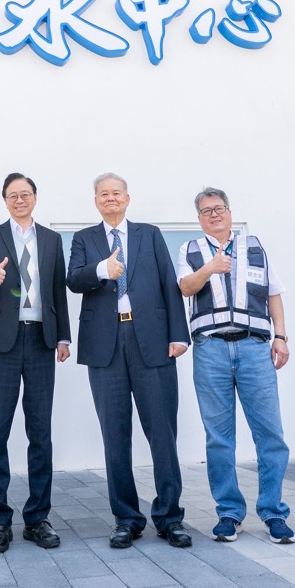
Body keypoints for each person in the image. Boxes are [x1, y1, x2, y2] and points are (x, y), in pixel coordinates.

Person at [66, 173, 193, 549]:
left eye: (116, 193)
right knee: (114, 434)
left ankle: (169, 517)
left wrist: (178, 334)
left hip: (152, 340)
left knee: (162, 431)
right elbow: (74, 279)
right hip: (105, 344)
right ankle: (126, 519)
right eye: (103, 194)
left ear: (127, 198)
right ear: (96, 201)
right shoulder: (84, 238)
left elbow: (169, 282)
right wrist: (102, 270)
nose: (110, 198)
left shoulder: (149, 234)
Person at [176, 187, 295, 544]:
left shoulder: (254, 247)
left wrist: (281, 337)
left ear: (229, 212)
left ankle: (273, 512)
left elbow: (273, 293)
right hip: (210, 349)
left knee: (270, 433)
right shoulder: (190, 250)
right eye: (206, 211)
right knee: (219, 437)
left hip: (254, 348)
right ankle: (229, 512)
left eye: (219, 208)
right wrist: (210, 268)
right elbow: (185, 288)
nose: (214, 214)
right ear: (199, 218)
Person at [0, 173, 72, 554]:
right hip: (1, 344)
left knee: (40, 432)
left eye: (25, 194)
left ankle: (37, 518)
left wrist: (63, 336)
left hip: (42, 340)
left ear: (35, 198)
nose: (19, 200)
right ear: (5, 201)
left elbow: (57, 289)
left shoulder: (52, 239)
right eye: (12, 195)